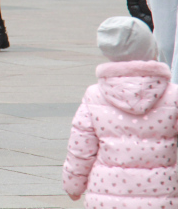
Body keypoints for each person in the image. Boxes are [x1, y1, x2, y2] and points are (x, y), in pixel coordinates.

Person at [62, 16, 178, 206]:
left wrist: (73, 185)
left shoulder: (95, 95)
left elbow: (81, 148)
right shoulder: (172, 95)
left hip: (105, 198)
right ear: (151, 48)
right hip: (162, 198)